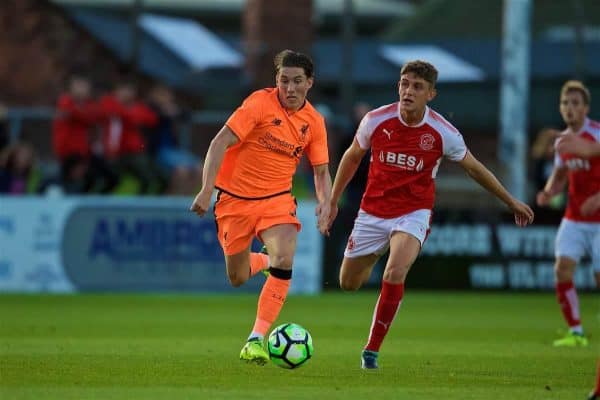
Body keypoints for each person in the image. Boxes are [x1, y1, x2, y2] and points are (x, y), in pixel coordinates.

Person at [327, 60, 534, 369]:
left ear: (431, 94)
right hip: (372, 212)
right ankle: (374, 252)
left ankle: (371, 351)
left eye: (417, 87)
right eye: (404, 84)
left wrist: (510, 200)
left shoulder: (442, 132)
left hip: (414, 213)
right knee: (348, 283)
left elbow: (475, 169)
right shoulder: (375, 120)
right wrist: (332, 199)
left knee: (394, 273)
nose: (408, 91)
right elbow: (352, 156)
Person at [190, 50, 332, 365]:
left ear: (310, 83)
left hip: (277, 200)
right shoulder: (259, 104)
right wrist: (205, 190)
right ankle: (264, 261)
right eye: (284, 81)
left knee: (284, 259)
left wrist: (325, 204)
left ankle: (256, 339)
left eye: (297, 81)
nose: (290, 88)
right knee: (237, 276)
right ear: (276, 81)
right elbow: (219, 142)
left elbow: (321, 171)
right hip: (234, 201)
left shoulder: (314, 122)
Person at [536, 80, 600, 347]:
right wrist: (549, 191)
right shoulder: (563, 142)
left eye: (575, 103)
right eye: (565, 103)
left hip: (599, 221)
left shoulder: (596, 134)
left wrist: (598, 198)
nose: (569, 108)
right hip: (574, 217)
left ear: (586, 108)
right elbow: (561, 174)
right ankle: (576, 332)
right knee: (562, 270)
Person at [52, 74, 118, 193]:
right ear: (71, 88)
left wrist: (84, 113)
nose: (81, 90)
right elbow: (83, 115)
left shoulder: (88, 104)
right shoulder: (65, 101)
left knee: (109, 177)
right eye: (78, 86)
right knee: (68, 182)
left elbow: (98, 115)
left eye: (84, 87)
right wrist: (85, 114)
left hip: (84, 151)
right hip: (68, 152)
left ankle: (93, 203)